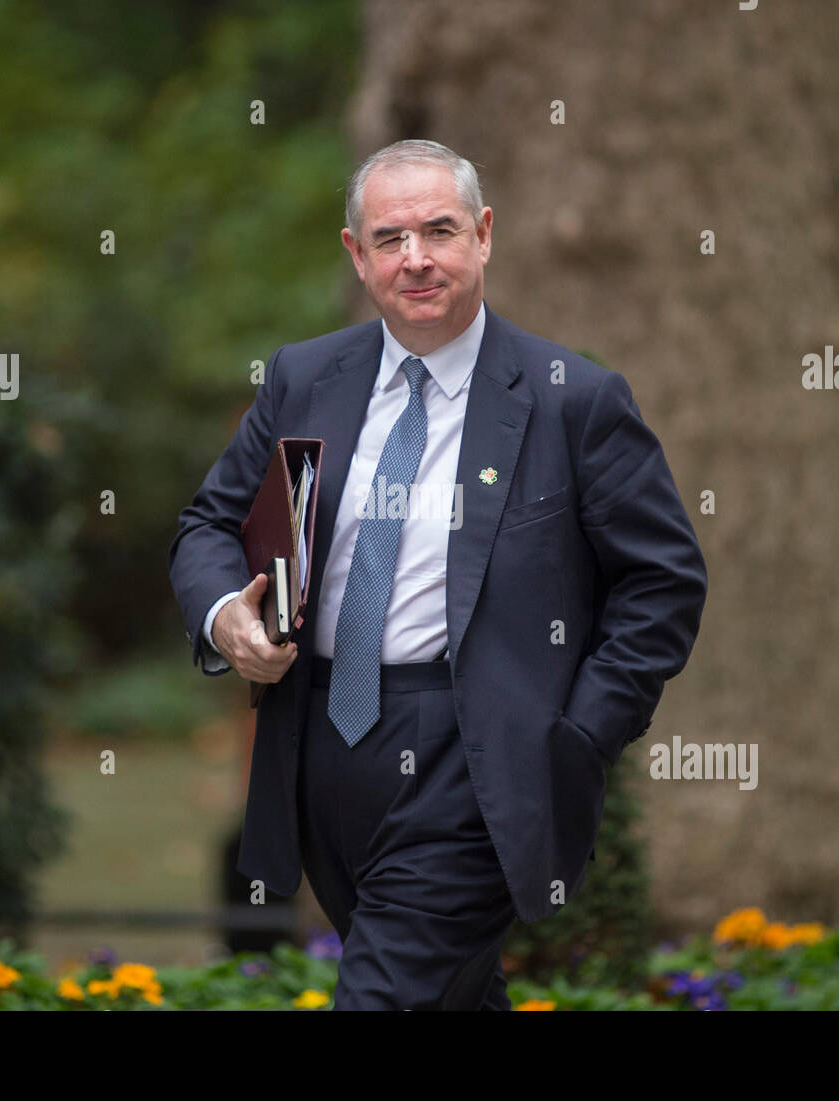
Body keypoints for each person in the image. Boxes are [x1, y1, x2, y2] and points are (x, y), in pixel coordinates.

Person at [168, 139, 707, 1010]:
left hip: (476, 757)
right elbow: (207, 524)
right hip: (325, 746)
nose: (415, 258)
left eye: (439, 231)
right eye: (389, 238)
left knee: (382, 995)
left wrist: (575, 734)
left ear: (484, 236)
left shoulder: (573, 399)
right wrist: (228, 613)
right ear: (357, 254)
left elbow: (664, 581)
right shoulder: (304, 377)